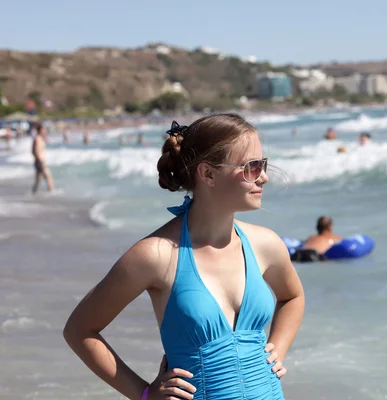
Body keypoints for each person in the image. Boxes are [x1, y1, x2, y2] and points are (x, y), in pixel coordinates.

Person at [63, 114, 305, 400]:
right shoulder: (156, 255)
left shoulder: (265, 243)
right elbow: (79, 330)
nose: (263, 177)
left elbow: (292, 297)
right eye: (251, 167)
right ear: (208, 174)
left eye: (262, 165)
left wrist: (278, 347)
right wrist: (144, 393)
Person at [32, 124, 55, 194]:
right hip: (40, 162)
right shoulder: (37, 139)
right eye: (43, 129)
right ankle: (52, 193)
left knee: (38, 180)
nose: (45, 131)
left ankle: (33, 193)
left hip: (38, 161)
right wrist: (41, 161)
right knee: (48, 177)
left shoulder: (40, 138)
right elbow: (35, 151)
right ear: (40, 130)